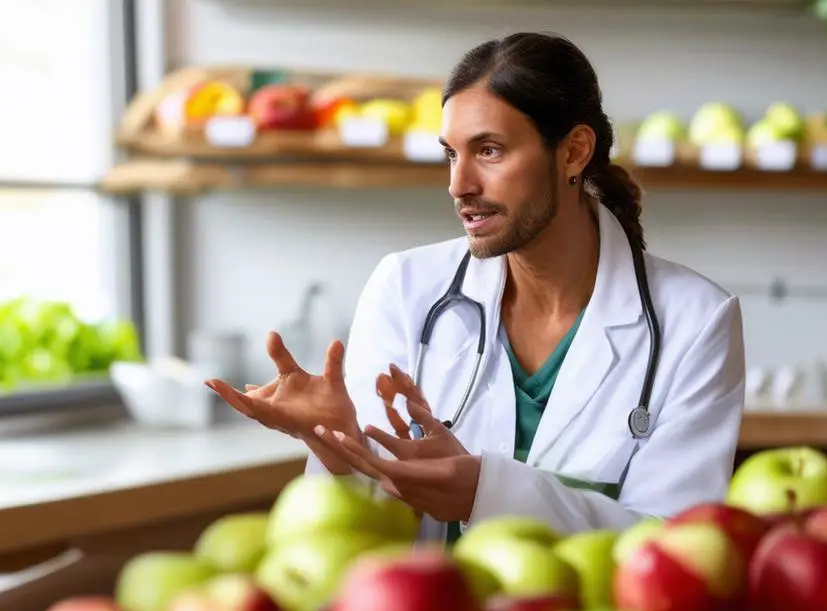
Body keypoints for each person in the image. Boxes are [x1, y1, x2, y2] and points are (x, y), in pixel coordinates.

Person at [207, 32, 746, 540]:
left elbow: (676, 545)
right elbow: (369, 535)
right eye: (451, 153)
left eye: (489, 150)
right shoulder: (406, 288)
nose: (458, 185)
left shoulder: (696, 322)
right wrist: (338, 447)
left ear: (574, 152)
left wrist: (488, 494)